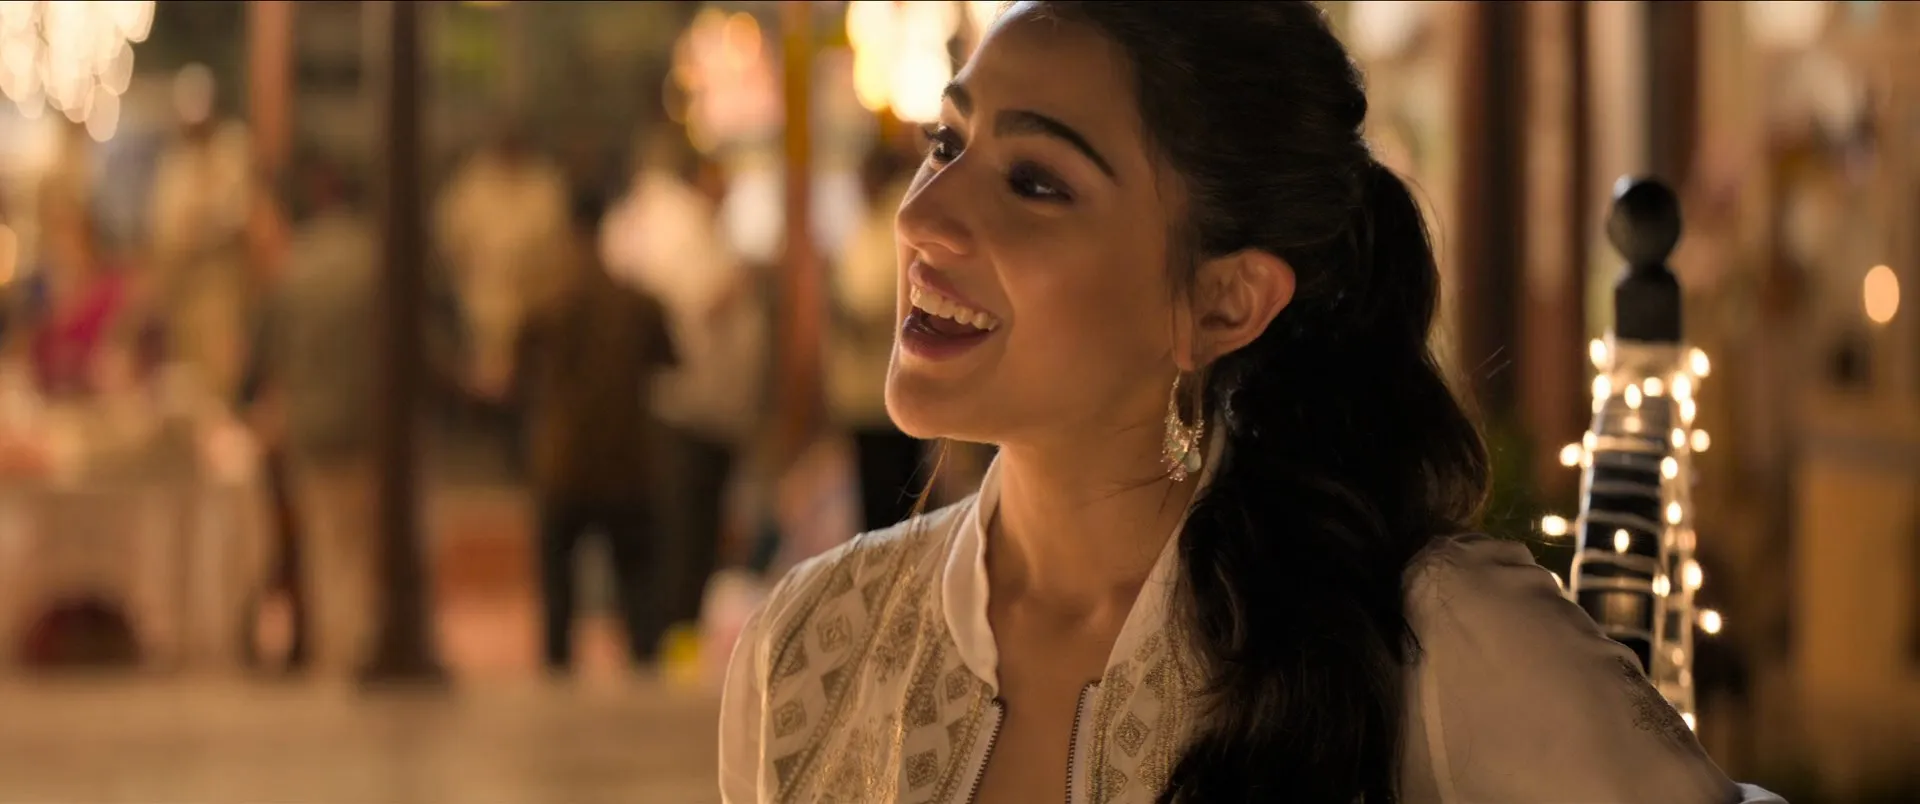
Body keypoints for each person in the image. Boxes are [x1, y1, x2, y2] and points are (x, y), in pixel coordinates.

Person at [717, 4, 1788, 804]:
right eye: (946, 144)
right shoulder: (809, 654)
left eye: (1036, 182)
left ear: (1223, 301)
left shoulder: (1425, 641)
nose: (925, 217)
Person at [506, 187, 678, 675]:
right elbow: (671, 359)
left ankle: (559, 681)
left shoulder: (545, 303)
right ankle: (644, 679)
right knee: (638, 589)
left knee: (558, 595)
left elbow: (516, 375)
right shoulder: (636, 302)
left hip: (564, 460)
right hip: (628, 459)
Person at [246, 160, 381, 676]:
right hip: (371, 430)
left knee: (328, 556)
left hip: (313, 432)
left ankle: (339, 660)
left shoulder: (294, 267)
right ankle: (363, 651)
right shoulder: (375, 258)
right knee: (370, 554)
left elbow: (261, 355)